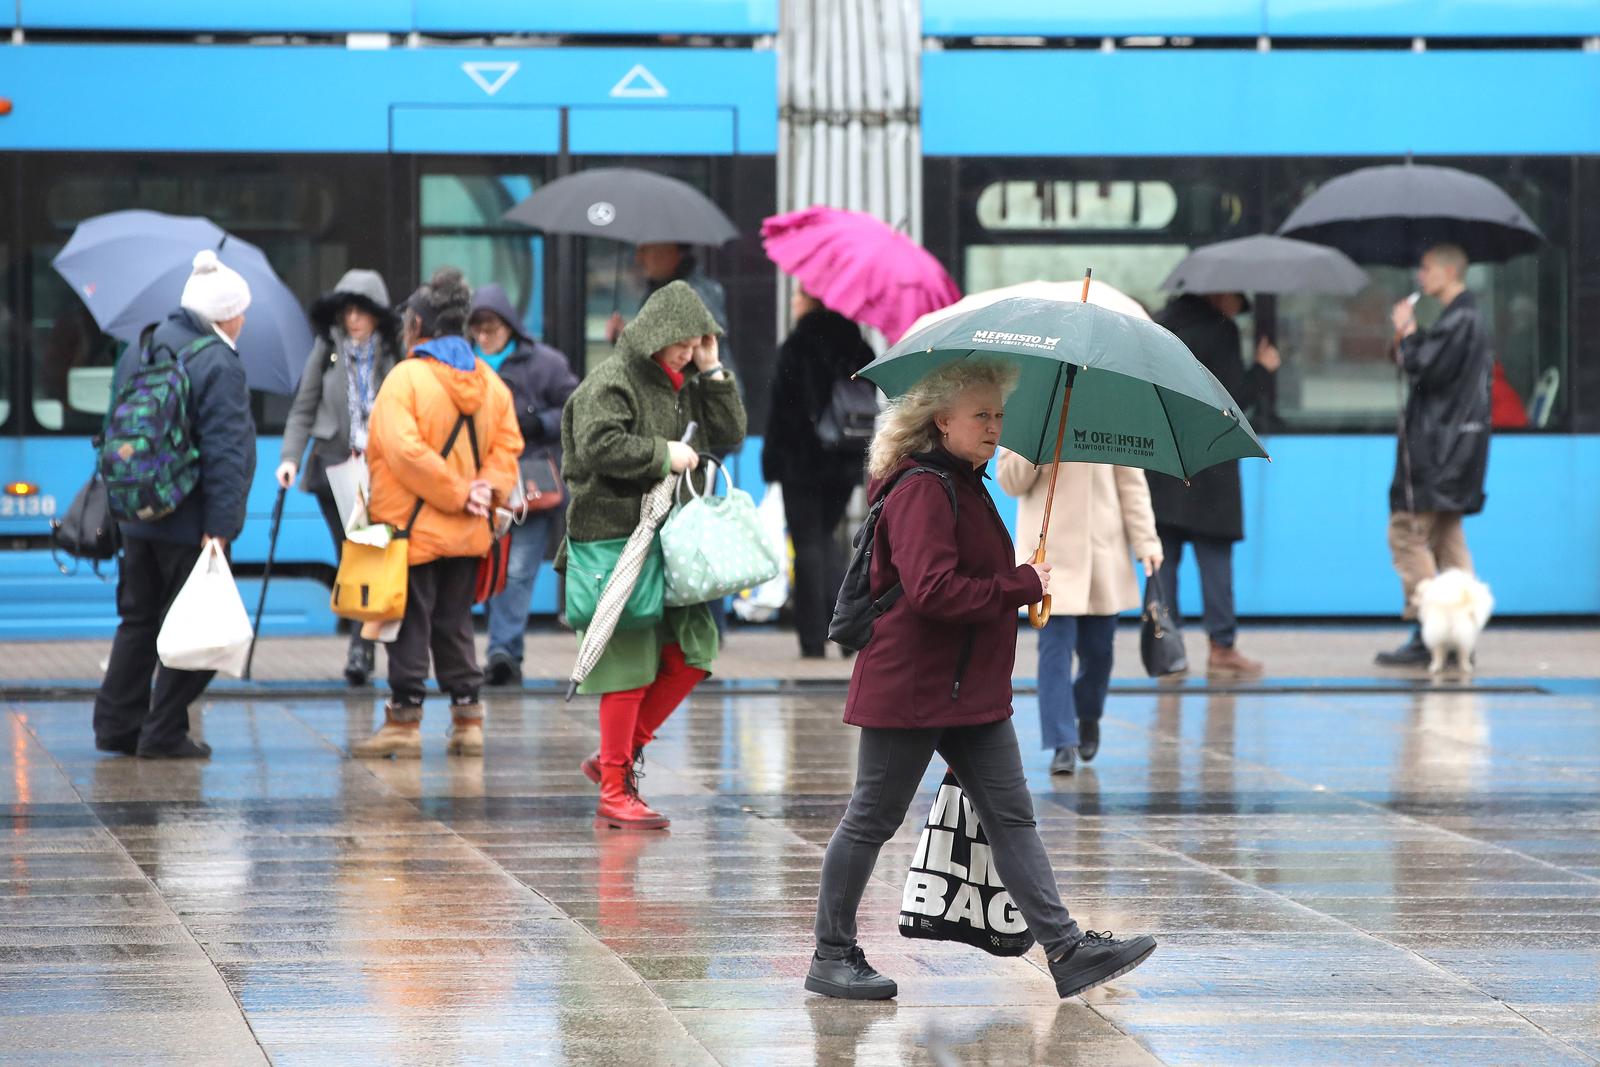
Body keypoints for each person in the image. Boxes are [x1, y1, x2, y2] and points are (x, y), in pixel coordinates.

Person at [805, 359, 1156, 1002]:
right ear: (942, 420)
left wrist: (1016, 582)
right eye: (981, 415)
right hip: (912, 688)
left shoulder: (965, 482)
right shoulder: (922, 489)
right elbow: (934, 592)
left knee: (1012, 818)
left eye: (998, 414)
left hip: (968, 693)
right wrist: (1021, 584)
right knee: (871, 820)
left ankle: (1066, 949)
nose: (995, 426)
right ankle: (832, 955)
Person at [562, 280, 746, 829]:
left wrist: (712, 373)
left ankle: (614, 759)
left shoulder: (686, 381)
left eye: (697, 343)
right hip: (613, 541)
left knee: (694, 651)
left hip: (666, 541)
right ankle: (616, 787)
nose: (688, 352)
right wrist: (664, 454)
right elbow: (598, 445)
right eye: (683, 343)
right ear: (656, 334)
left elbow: (732, 432)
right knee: (627, 666)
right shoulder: (612, 381)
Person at [350, 268, 522, 759]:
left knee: (407, 623)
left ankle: (403, 722)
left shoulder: (405, 378)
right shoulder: (489, 380)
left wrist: (455, 491)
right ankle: (468, 720)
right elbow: (509, 444)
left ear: (418, 326)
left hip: (411, 529)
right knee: (455, 623)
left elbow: (402, 452)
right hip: (469, 531)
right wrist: (483, 491)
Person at [92, 250, 255, 760]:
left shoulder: (139, 348)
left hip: (137, 517)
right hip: (189, 523)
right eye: (239, 312)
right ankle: (163, 732)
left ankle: (117, 727)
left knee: (138, 622)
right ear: (224, 314)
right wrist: (221, 527)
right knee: (202, 629)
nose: (243, 321)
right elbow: (227, 452)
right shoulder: (219, 361)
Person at [997, 451, 1161, 775]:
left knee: (1099, 651)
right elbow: (1011, 483)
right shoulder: (1033, 415)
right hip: (1049, 560)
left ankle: (1088, 713)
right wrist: (1039, 452)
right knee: (1054, 652)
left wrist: (1147, 543)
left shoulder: (1111, 413)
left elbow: (1131, 486)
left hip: (1102, 554)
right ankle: (1061, 741)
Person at [276, 269, 401, 686]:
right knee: (354, 555)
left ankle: (371, 644)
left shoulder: (395, 355)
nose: (354, 320)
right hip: (335, 468)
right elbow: (302, 409)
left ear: (378, 315)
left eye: (362, 311)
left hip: (383, 472)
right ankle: (360, 648)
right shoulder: (326, 349)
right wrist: (290, 458)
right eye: (348, 311)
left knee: (376, 556)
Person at [1145, 291, 1278, 677]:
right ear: (1220, 295)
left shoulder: (1161, 327)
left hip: (1166, 458)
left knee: (1163, 559)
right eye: (1239, 299)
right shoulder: (1221, 332)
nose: (1241, 306)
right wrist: (1264, 369)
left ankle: (1165, 647)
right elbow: (1232, 401)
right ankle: (1222, 647)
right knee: (1215, 558)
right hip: (1212, 461)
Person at [1376, 244, 1492, 667]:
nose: (1420, 276)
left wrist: (1406, 331)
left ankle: (1431, 628)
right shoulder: (1463, 317)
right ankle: (1462, 633)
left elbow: (1426, 367)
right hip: (1457, 451)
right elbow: (1431, 362)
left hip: (1438, 452)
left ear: (1447, 270)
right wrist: (1409, 338)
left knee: (1406, 531)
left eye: (1425, 268)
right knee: (1447, 537)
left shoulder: (1460, 318)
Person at [468, 284, 580, 686]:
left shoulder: (546, 364)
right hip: (477, 485)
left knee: (516, 571)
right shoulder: (463, 363)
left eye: (492, 326)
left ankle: (503, 650)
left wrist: (540, 423)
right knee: (484, 568)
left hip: (529, 485)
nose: (484, 335)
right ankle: (499, 649)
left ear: (510, 325)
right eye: (477, 328)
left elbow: (575, 406)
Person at [761, 287, 875, 658]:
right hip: (843, 458)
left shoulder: (797, 346)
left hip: (801, 461)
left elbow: (784, 409)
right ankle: (845, 632)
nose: (793, 303)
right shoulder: (856, 343)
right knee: (827, 537)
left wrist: (776, 455)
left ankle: (813, 639)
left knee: (808, 543)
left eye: (797, 297)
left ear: (813, 301)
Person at [605, 242, 734, 376]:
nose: (638, 258)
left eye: (645, 250)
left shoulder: (696, 294)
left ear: (671, 250)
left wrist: (630, 342)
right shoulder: (658, 290)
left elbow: (678, 361)